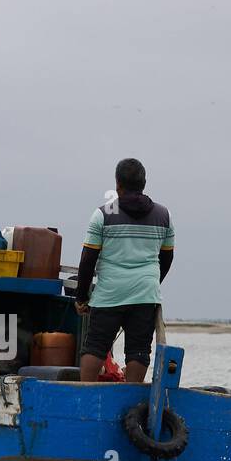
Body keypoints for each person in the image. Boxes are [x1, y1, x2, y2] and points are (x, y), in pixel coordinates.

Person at [75, 158, 174, 382]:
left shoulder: (102, 215)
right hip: (145, 293)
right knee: (138, 350)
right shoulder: (164, 216)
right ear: (144, 183)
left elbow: (87, 260)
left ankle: (87, 395)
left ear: (117, 184)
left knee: (95, 346)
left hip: (109, 293)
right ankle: (132, 405)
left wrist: (81, 298)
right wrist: (151, 282)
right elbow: (166, 258)